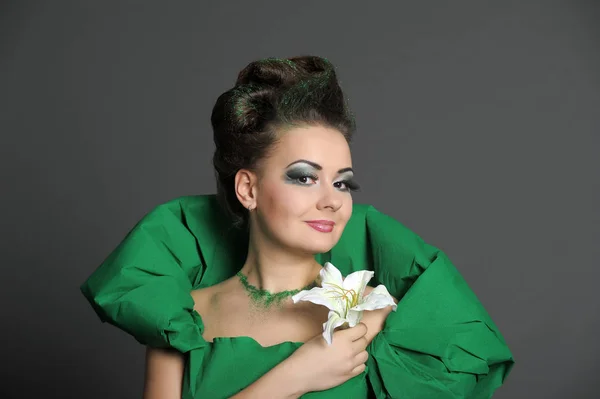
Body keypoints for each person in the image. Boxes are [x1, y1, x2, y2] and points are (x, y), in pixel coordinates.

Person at [81, 56, 514, 398]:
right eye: (304, 176)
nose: (332, 198)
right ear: (248, 188)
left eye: (342, 182)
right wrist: (296, 375)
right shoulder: (180, 315)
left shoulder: (373, 315)